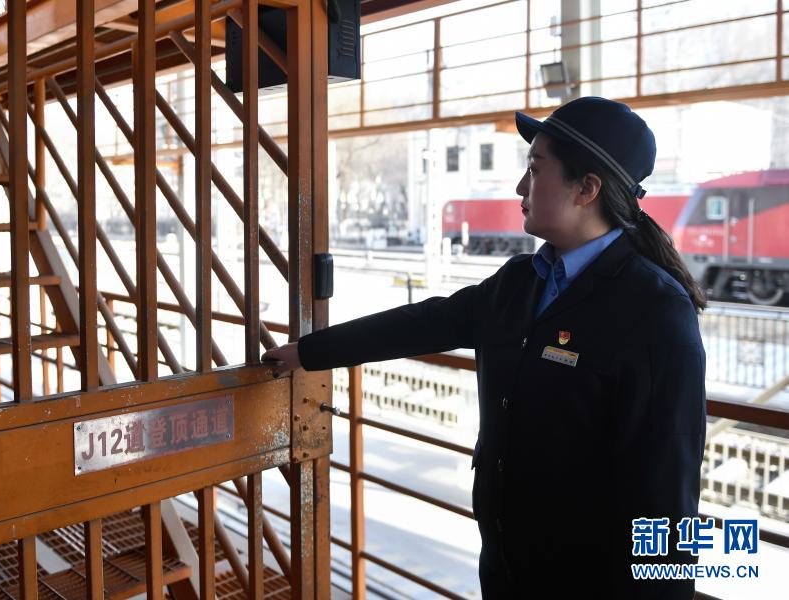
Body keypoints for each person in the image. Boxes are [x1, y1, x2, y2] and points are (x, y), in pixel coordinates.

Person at [262, 96, 707, 599]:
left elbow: (668, 499)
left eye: (535, 169)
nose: (520, 187)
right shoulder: (521, 282)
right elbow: (422, 324)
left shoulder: (653, 310)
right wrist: (310, 352)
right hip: (504, 569)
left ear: (587, 188)